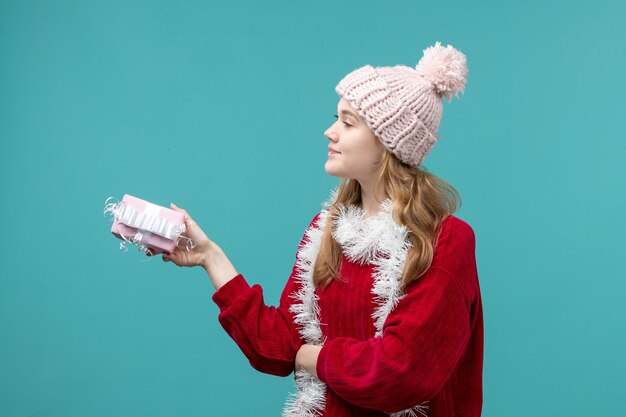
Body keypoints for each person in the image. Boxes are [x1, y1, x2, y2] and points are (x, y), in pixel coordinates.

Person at [152, 41, 484, 417]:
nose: (330, 132)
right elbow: (280, 346)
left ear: (388, 142)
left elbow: (400, 372)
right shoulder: (329, 231)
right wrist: (210, 257)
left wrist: (313, 356)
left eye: (347, 122)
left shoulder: (445, 240)